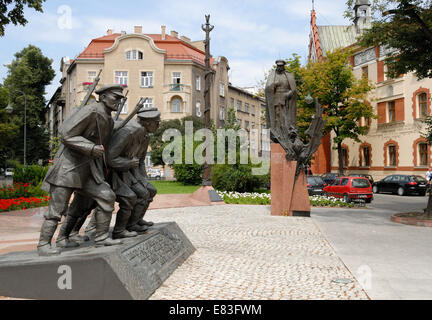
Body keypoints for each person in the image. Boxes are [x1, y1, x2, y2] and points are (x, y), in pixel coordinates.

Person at [38, 85, 125, 256]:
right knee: (57, 209)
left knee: (106, 196)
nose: (118, 101)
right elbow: (66, 135)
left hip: (89, 170)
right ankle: (43, 244)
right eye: (115, 97)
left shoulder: (108, 119)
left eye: (120, 98)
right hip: (69, 168)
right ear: (103, 97)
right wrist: (91, 148)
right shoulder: (91, 111)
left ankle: (100, 237)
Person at [59, 107, 160, 242]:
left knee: (142, 193)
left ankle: (129, 226)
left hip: (118, 173)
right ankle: (67, 235)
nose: (158, 125)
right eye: (157, 122)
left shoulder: (144, 135)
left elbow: (139, 161)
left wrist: (143, 180)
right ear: (147, 123)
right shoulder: (128, 132)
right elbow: (111, 158)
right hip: (105, 172)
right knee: (83, 205)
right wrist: (128, 163)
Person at [265, 59, 297, 141]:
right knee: (278, 115)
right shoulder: (272, 75)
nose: (279, 67)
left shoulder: (288, 76)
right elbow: (268, 87)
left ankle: (288, 131)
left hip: (286, 98)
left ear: (283, 66)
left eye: (281, 66)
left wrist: (289, 93)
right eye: (278, 66)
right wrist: (273, 85)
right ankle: (278, 131)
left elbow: (293, 89)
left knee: (286, 115)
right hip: (276, 98)